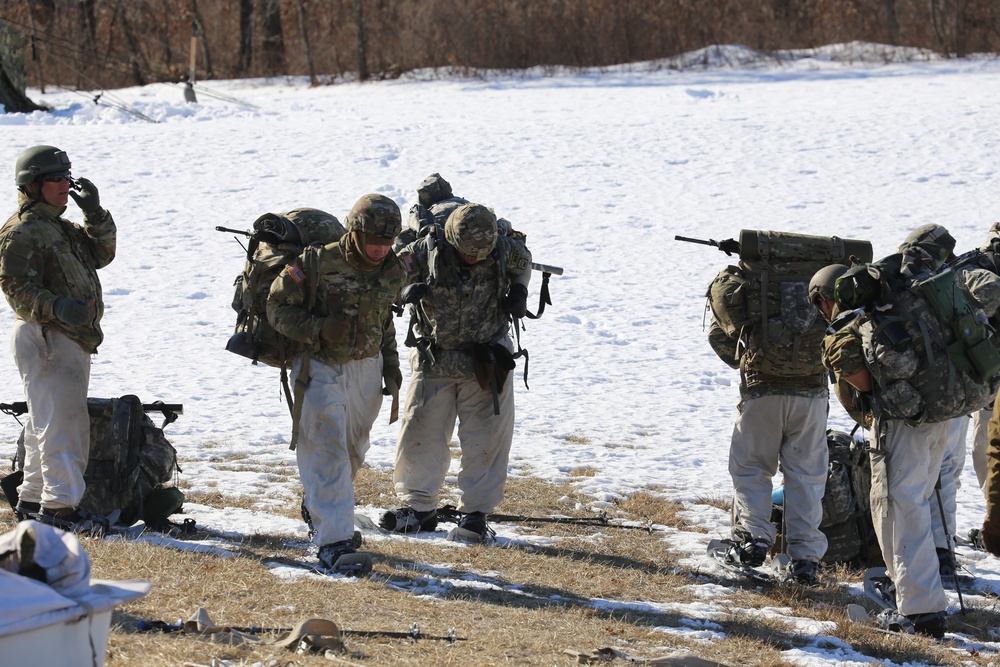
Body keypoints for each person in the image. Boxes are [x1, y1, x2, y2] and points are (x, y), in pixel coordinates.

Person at [809, 224, 970, 639]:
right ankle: (921, 600)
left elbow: (863, 383)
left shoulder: (857, 320)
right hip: (941, 414)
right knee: (916, 501)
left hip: (903, 422)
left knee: (900, 508)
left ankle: (920, 613)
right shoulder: (911, 296)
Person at [267, 193, 405, 570]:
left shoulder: (393, 269)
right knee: (326, 448)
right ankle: (335, 542)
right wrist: (317, 328)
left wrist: (390, 363)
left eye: (387, 242)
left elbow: (385, 317)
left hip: (368, 368)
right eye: (374, 241)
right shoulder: (315, 262)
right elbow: (276, 307)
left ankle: (320, 508)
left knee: (353, 450)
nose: (380, 249)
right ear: (356, 232)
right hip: (320, 365)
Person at [380, 202, 531, 542]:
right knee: (420, 434)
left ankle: (476, 515)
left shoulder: (504, 248)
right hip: (435, 357)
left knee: (486, 440)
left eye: (483, 253)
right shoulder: (424, 249)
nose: (476, 258)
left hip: (487, 358)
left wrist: (519, 289)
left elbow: (525, 263)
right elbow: (388, 275)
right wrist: (404, 291)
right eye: (469, 254)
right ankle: (418, 508)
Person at [0, 145, 116, 530]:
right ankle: (60, 510)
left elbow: (101, 253)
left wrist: (95, 213)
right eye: (57, 178)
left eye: (68, 175)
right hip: (47, 336)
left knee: (43, 423)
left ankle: (33, 500)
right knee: (64, 425)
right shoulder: (22, 231)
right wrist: (56, 307)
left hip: (66, 338)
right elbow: (14, 285)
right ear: (32, 185)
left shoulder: (59, 226)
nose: (66, 184)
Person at [710, 249, 831, 587]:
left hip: (762, 393)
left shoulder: (750, 285)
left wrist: (745, 357)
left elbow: (718, 335)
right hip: (811, 396)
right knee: (807, 476)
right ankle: (805, 559)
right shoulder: (828, 280)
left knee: (751, 468)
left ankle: (751, 543)